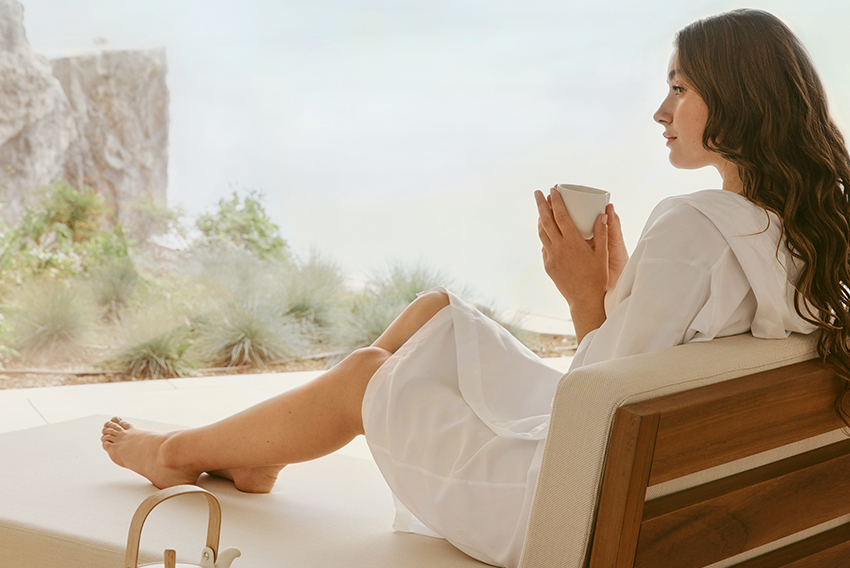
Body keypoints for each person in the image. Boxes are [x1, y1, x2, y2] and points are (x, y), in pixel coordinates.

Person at [101, 9, 850, 568]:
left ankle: (177, 451)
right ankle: (265, 451)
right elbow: (645, 378)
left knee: (368, 373)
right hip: (656, 486)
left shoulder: (694, 227)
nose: (660, 111)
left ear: (739, 99)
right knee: (439, 311)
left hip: (555, 501)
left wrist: (585, 295)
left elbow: (597, 403)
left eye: (680, 89)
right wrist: (617, 294)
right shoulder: (809, 230)